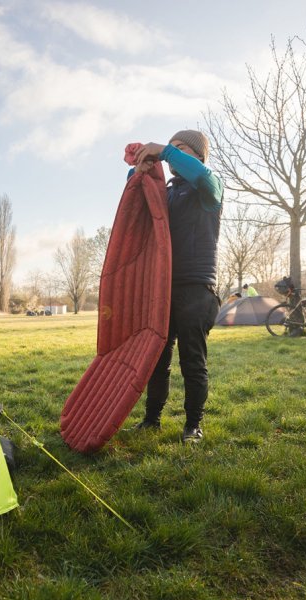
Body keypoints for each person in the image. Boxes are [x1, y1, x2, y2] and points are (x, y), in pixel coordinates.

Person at [129, 130, 223, 443]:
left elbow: (202, 176)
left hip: (198, 290)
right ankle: (151, 420)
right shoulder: (167, 193)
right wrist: (137, 168)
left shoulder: (209, 188)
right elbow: (140, 196)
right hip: (163, 289)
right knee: (158, 359)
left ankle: (193, 426)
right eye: (172, 148)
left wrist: (166, 150)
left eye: (181, 148)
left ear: (197, 155)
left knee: (192, 361)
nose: (172, 154)